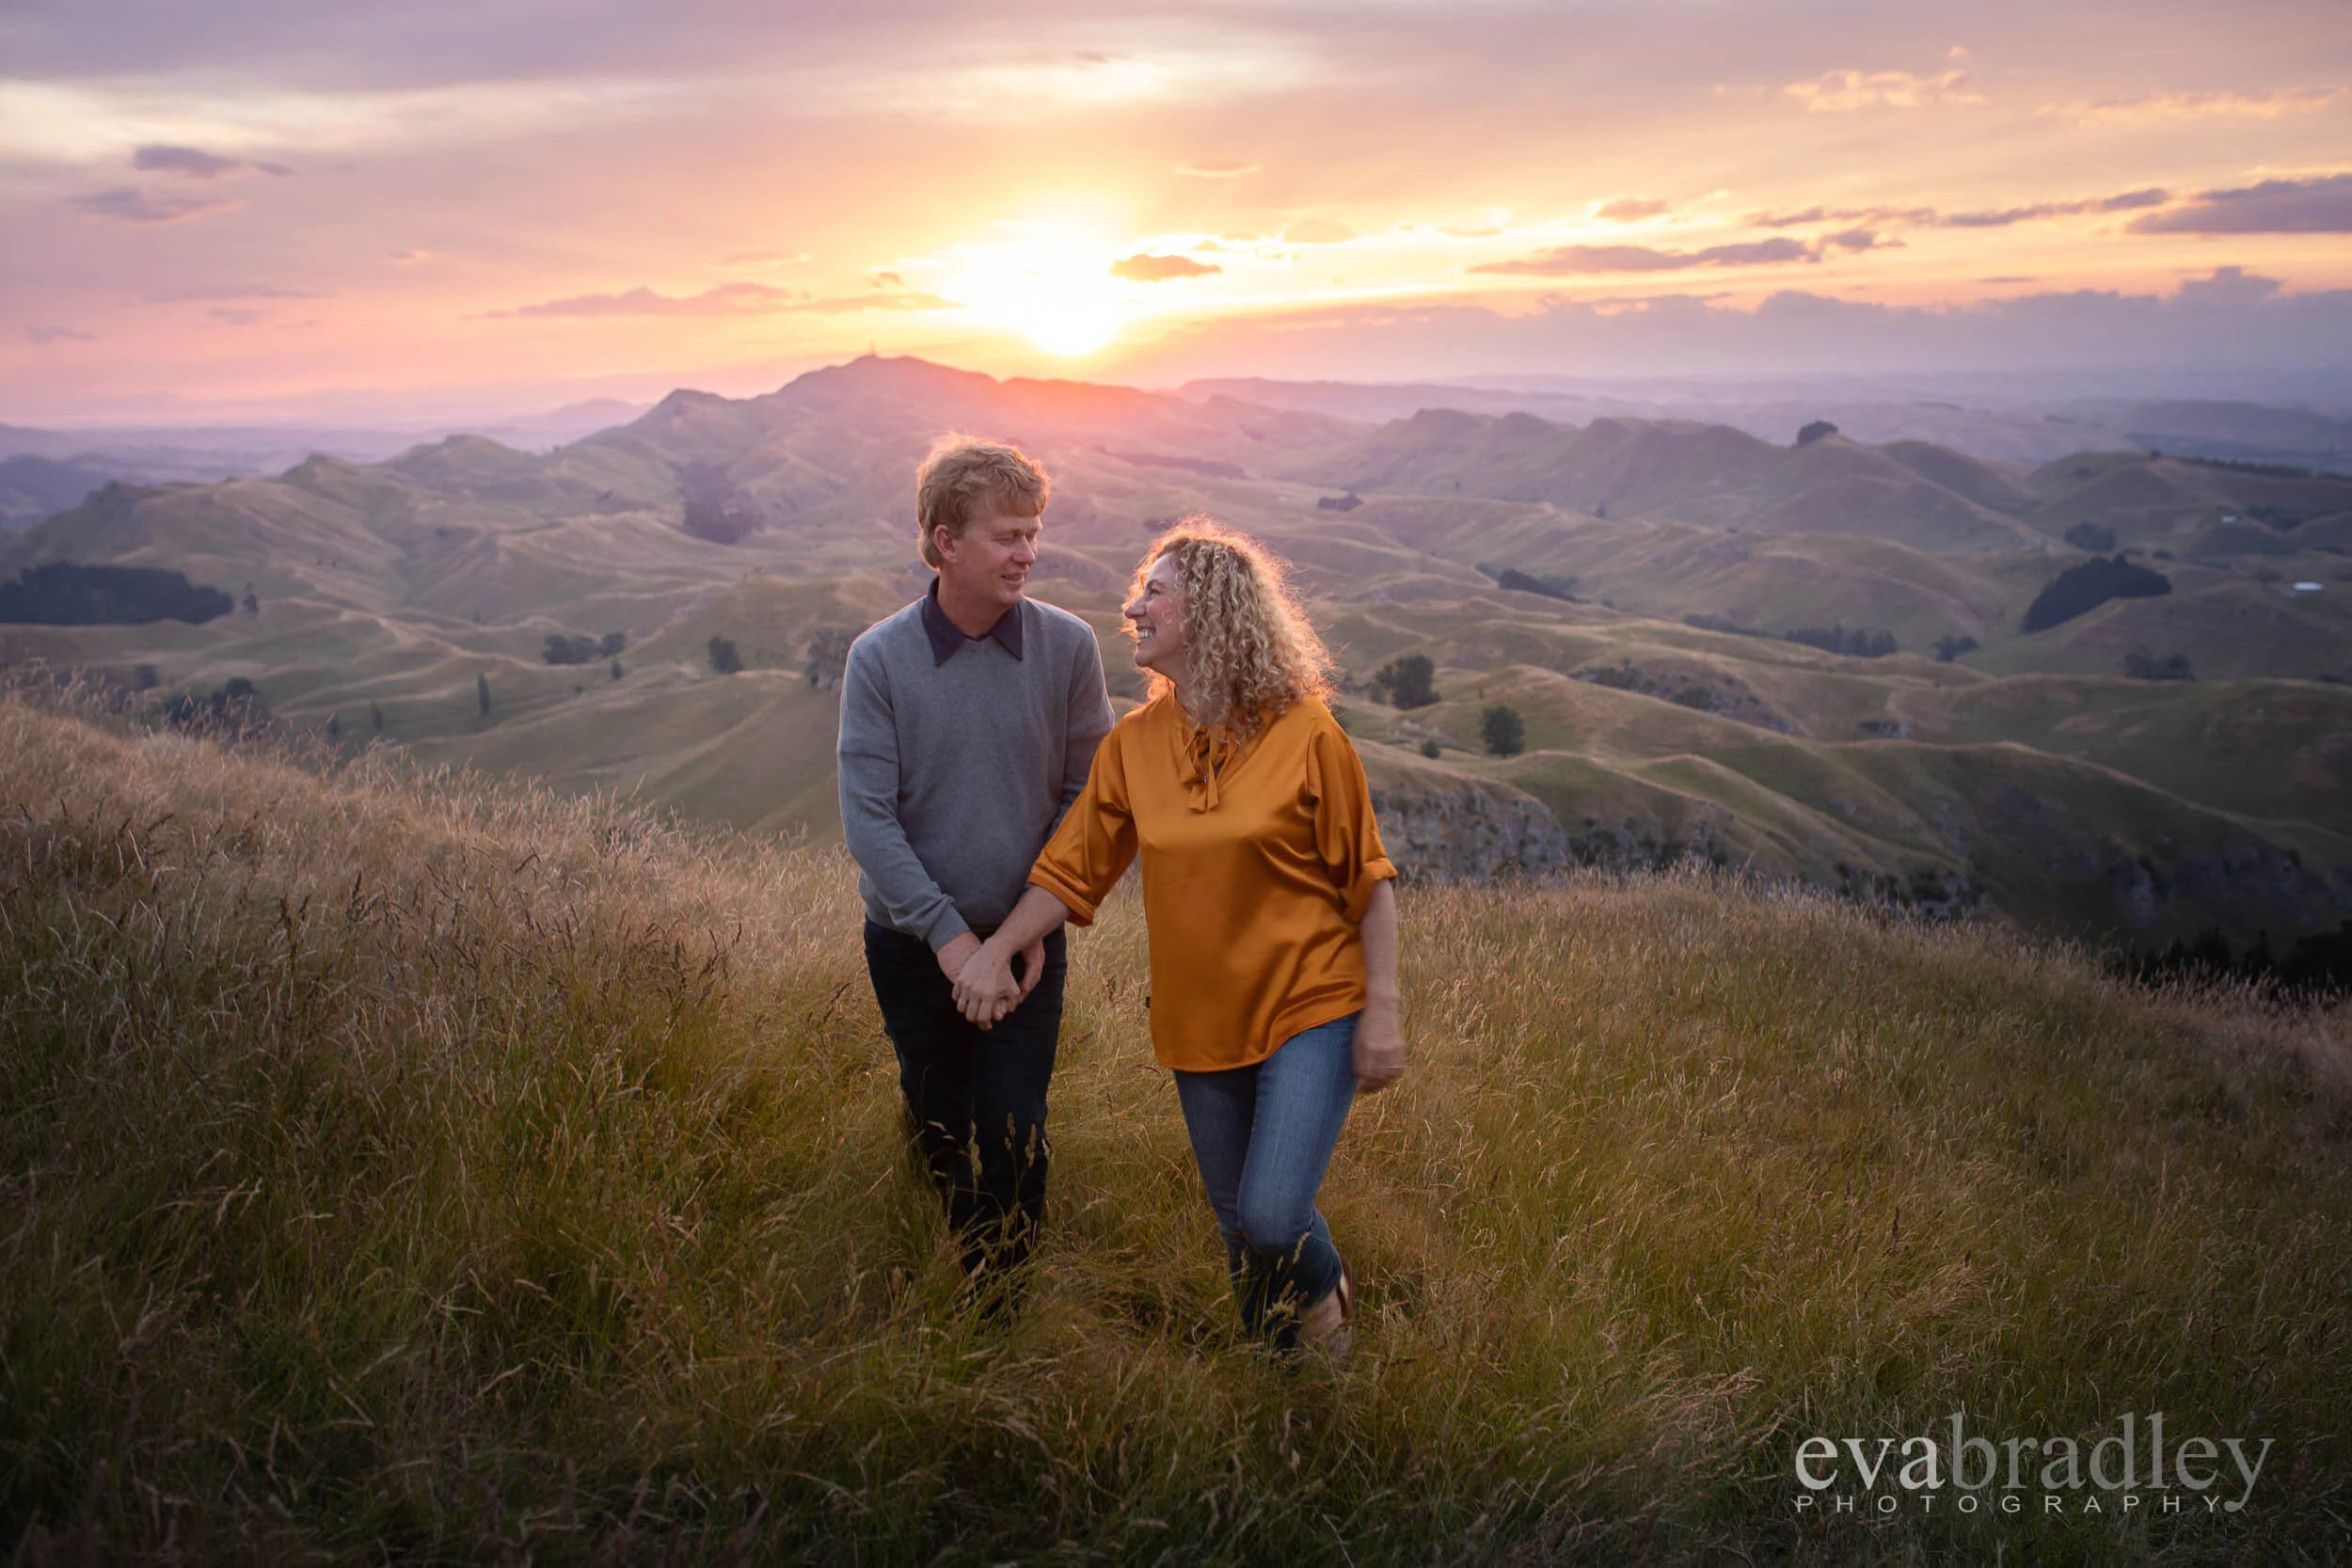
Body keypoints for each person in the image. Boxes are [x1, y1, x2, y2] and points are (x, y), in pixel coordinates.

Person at [953, 518, 1405, 1355]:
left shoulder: (1307, 733)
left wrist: (1382, 1010)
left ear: (1214, 610)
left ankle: (1324, 1285)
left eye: (1154, 591)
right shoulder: (1133, 747)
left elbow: (1368, 878)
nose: (1133, 606)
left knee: (1273, 1218)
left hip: (1311, 1006)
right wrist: (992, 947)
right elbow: (1072, 869)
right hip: (1200, 1023)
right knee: (1239, 1232)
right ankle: (1294, 1390)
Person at [836, 436, 1114, 1297]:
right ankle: (945, 1262)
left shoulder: (1068, 647)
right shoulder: (879, 658)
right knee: (938, 1120)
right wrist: (957, 944)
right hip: (915, 947)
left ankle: (1003, 1308)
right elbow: (869, 821)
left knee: (1016, 1127)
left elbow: (1090, 800)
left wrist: (1021, 931)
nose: (1027, 553)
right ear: (944, 540)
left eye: (1033, 532)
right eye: (1006, 535)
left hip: (1030, 942)